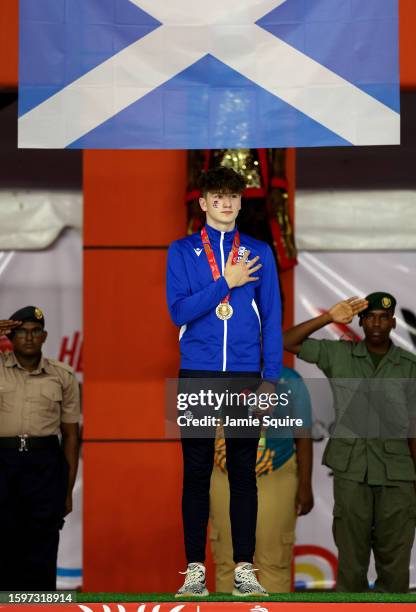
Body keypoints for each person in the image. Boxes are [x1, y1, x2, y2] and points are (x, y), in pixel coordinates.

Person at [166, 167, 282, 597]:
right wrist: (225, 283)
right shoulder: (180, 252)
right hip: (197, 372)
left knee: (242, 473)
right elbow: (179, 312)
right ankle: (194, 570)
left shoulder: (259, 252)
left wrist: (269, 379)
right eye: (217, 196)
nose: (226, 203)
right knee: (195, 472)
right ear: (203, 203)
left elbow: (272, 319)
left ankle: (244, 571)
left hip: (244, 376)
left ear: (240, 201)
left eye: (233, 196)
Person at [283, 293, 416, 592]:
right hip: (351, 470)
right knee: (351, 561)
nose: (377, 323)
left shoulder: (410, 366)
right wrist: (327, 317)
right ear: (361, 321)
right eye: (370, 317)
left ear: (393, 322)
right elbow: (287, 341)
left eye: (383, 317)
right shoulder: (339, 355)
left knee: (394, 561)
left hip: (397, 474)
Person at [209, 366, 313, 593]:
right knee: (228, 561)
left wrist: (305, 484)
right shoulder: (215, 374)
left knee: (273, 561)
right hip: (226, 474)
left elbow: (303, 435)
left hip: (274, 475)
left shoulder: (290, 380)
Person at [0, 306, 80, 590]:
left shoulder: (62, 375)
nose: (29, 338)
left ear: (45, 336)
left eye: (35, 332)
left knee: (42, 553)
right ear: (10, 335)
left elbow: (71, 436)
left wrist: (67, 490)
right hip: (4, 465)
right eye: (22, 331)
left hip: (45, 467)